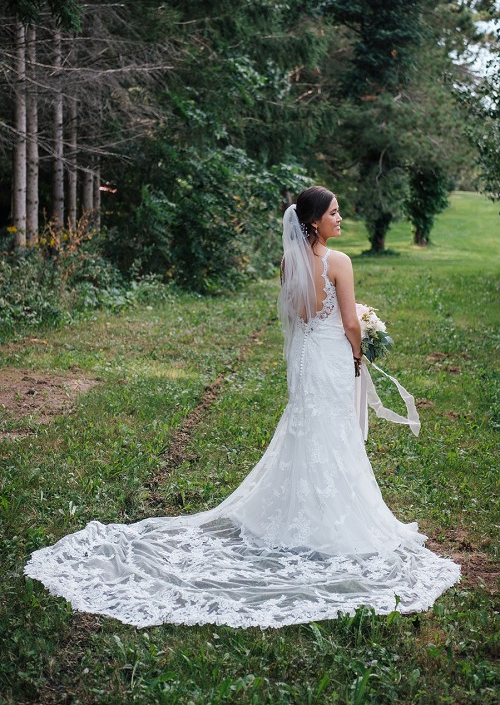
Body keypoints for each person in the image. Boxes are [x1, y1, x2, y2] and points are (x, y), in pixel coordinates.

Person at [25, 186, 460, 629]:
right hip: (329, 355)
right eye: (334, 213)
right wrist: (358, 350)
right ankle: (330, 522)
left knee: (307, 429)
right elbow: (349, 321)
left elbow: (297, 316)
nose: (340, 218)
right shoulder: (340, 262)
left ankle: (298, 516)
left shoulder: (290, 261)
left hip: (305, 357)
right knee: (333, 431)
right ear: (313, 221)